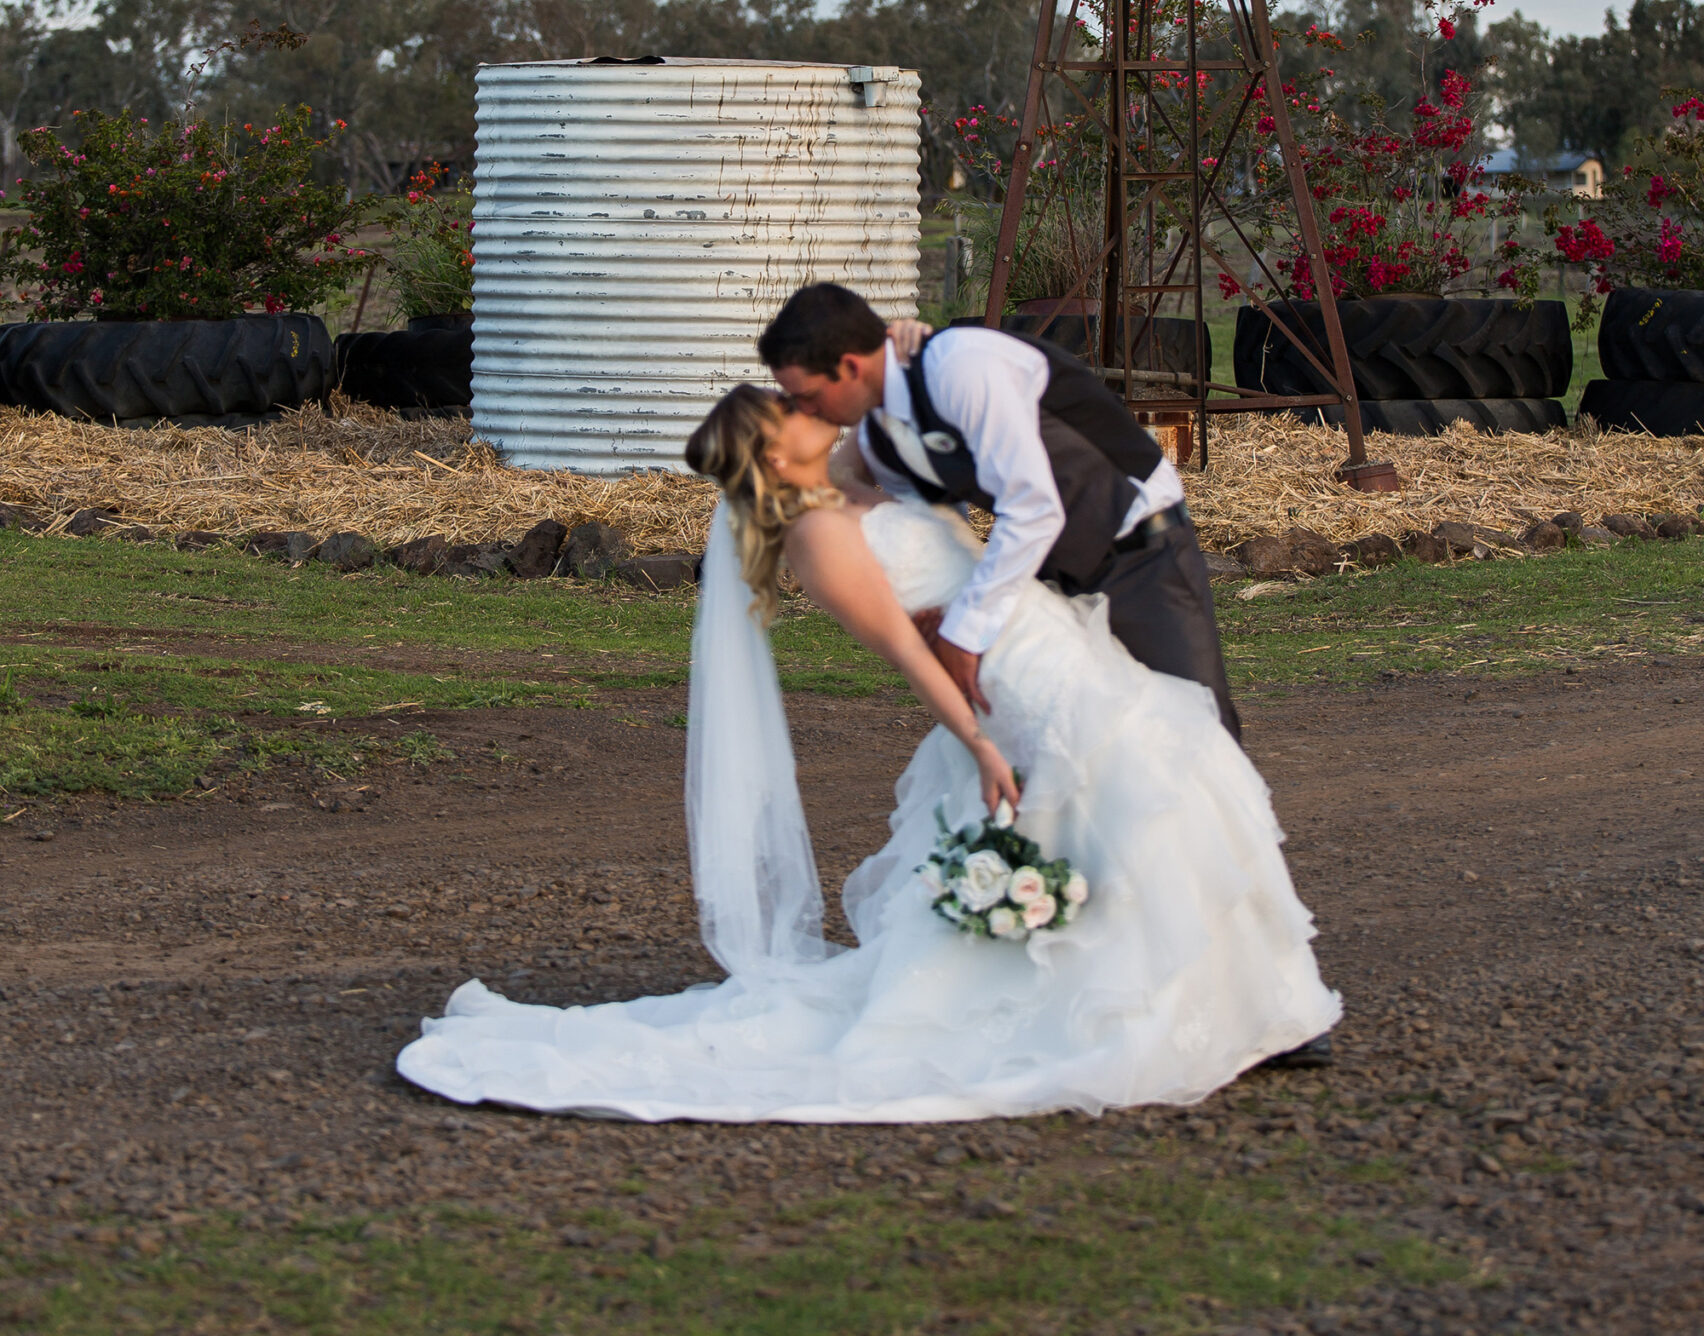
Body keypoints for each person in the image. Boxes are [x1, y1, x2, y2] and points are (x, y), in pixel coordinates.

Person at [395, 380, 1339, 1121]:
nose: (808, 413)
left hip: (1051, 640)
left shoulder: (849, 484)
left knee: (1163, 791)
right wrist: (977, 737)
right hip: (1012, 682)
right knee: (1137, 795)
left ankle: (1233, 1005)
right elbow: (909, 645)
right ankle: (1129, 1010)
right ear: (773, 450)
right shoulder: (817, 536)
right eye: (788, 413)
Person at [760, 282, 1241, 739]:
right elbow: (937, 526)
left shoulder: (961, 365)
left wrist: (967, 631)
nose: (809, 410)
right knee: (1087, 733)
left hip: (1141, 549)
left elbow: (1034, 506)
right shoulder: (882, 441)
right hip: (1046, 572)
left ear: (848, 366)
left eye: (808, 395)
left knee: (1197, 729)